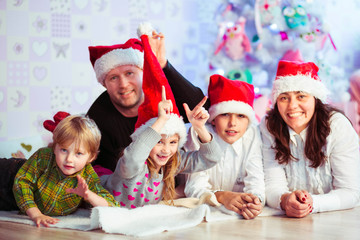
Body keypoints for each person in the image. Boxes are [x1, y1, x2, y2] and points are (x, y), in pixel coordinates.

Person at [101, 29, 221, 208]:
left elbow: (211, 159)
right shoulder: (132, 165)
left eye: (173, 142)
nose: (166, 149)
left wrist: (200, 129)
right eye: (159, 141)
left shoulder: (172, 161)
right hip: (103, 195)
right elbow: (133, 159)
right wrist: (160, 121)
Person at [87, 24, 208, 172]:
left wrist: (161, 64)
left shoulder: (159, 95)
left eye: (129, 73)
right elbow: (107, 175)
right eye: (113, 78)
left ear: (143, 74)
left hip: (172, 180)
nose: (123, 84)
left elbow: (201, 107)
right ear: (104, 83)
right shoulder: (97, 118)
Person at [260, 60, 360, 218]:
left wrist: (312, 203)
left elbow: (350, 192)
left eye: (301, 96)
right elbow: (272, 184)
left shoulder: (337, 126)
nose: (292, 106)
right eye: (284, 98)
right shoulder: (268, 126)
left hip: (339, 218)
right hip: (288, 221)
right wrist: (285, 200)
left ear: (315, 98)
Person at [12, 113, 119, 227]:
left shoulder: (88, 176)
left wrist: (88, 195)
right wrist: (36, 214)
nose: (69, 159)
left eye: (78, 153)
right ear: (54, 147)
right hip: (11, 175)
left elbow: (113, 206)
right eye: (64, 150)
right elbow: (22, 183)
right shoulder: (43, 157)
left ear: (91, 157)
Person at [184, 74, 265, 220]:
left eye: (241, 116)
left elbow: (256, 178)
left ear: (248, 121)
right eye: (225, 114)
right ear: (213, 119)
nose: (232, 123)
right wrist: (222, 196)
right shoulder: (199, 133)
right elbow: (193, 187)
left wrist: (255, 201)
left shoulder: (253, 135)